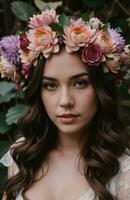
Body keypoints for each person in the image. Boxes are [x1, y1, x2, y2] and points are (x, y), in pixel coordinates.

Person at [0, 8, 130, 200]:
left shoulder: (123, 173)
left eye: (80, 83)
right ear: (38, 91)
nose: (65, 101)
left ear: (100, 89)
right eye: (50, 85)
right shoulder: (22, 156)